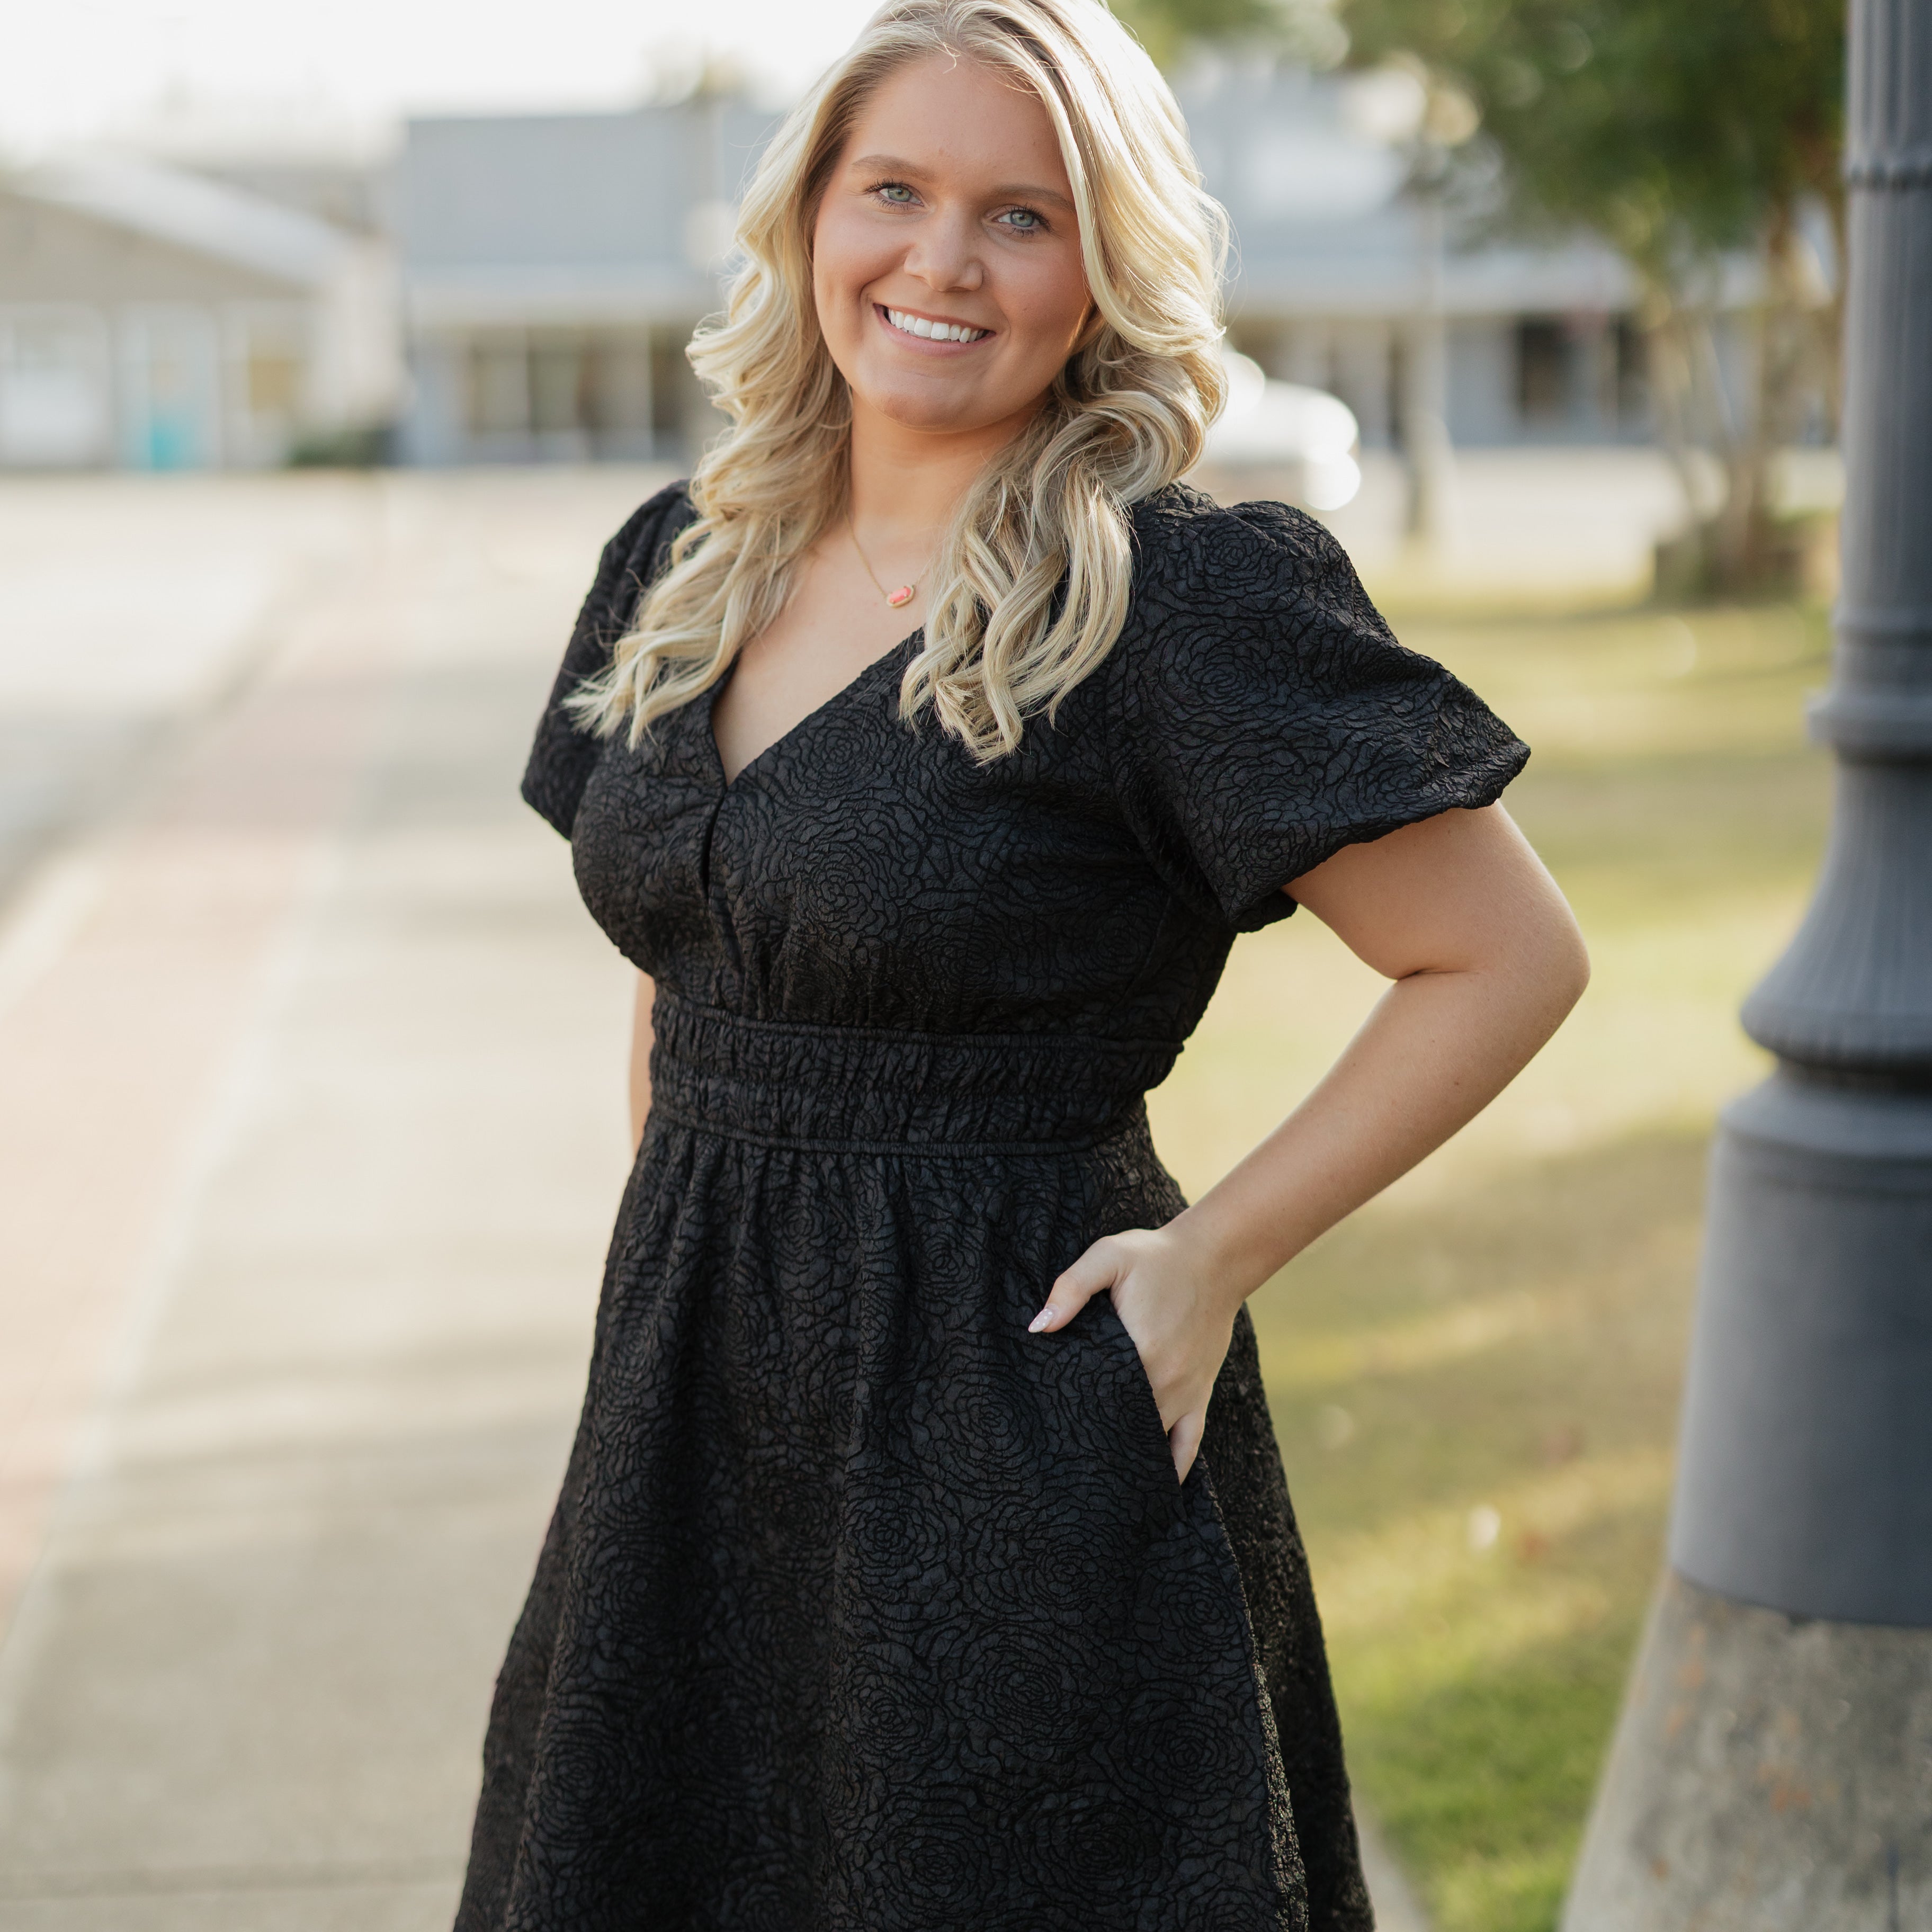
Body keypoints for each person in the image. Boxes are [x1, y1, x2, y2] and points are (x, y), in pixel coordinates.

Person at [454, 1, 1588, 1925]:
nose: (940, 262)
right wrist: (681, 1263)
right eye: (892, 190)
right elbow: (688, 964)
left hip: (1019, 1404)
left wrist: (1212, 1256)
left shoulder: (1174, 596)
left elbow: (1505, 957)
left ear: (1101, 274)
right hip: (691, 1405)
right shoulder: (687, 555)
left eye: (1022, 216)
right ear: (813, 211)